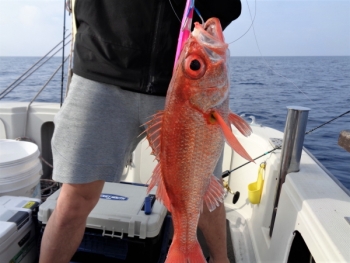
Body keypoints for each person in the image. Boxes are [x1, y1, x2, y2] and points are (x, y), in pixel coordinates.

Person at [39, 1, 242, 263]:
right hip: (101, 69)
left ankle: (218, 259)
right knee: (74, 198)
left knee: (203, 195)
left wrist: (212, 17)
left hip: (181, 82)